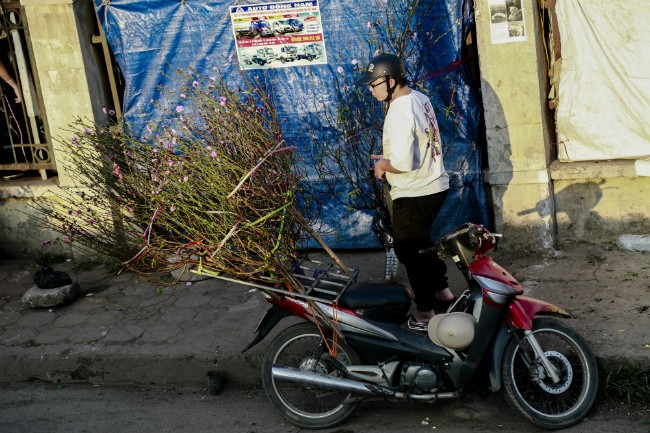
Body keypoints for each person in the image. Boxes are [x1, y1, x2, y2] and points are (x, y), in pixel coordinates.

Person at [356, 53, 455, 331]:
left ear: (390, 80)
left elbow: (401, 163)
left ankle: (425, 314)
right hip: (434, 184)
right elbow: (420, 143)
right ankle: (442, 292)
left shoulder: (399, 109)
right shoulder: (418, 99)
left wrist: (383, 166)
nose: (371, 90)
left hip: (415, 191)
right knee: (422, 244)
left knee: (409, 251)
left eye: (374, 84)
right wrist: (386, 157)